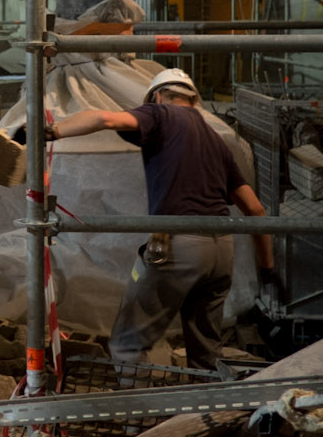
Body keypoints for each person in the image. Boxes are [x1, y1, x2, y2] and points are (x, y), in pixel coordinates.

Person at [43, 67, 277, 372]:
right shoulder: (217, 141)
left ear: (157, 95)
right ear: (193, 101)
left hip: (179, 246)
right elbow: (256, 210)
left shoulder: (161, 113)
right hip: (221, 253)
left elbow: (103, 118)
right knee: (206, 354)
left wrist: (52, 131)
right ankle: (207, 415)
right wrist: (268, 271)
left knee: (127, 345)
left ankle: (138, 418)